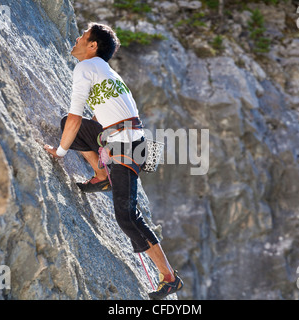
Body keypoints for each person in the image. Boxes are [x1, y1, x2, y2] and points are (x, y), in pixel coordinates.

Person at [43, 22, 183, 300]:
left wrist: (59, 153)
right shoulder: (108, 73)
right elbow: (99, 116)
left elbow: (74, 117)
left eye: (82, 36)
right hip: (130, 138)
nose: (77, 38)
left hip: (127, 144)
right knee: (74, 129)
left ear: (93, 46)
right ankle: (100, 174)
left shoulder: (86, 68)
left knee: (126, 215)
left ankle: (170, 278)